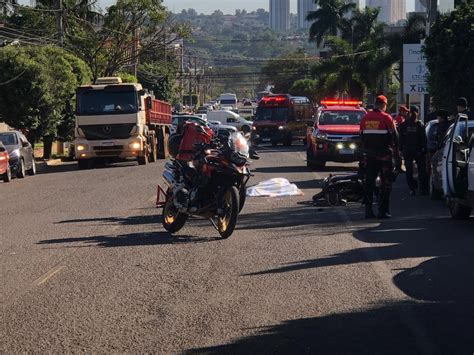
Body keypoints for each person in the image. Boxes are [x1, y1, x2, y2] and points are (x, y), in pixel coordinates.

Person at [360, 95, 399, 219]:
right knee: (385, 183)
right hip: (384, 156)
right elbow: (395, 137)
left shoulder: (365, 118)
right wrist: (397, 156)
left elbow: (361, 137)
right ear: (384, 105)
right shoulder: (387, 118)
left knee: (369, 182)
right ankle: (383, 211)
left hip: (369, 155)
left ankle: (368, 210)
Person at [398, 106, 429, 196]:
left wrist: (400, 149)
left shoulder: (404, 125)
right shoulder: (420, 125)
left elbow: (401, 139)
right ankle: (423, 189)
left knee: (409, 170)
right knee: (421, 170)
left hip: (407, 150)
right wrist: (425, 150)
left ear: (409, 112)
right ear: (417, 113)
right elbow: (424, 139)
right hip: (419, 151)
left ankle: (412, 188)